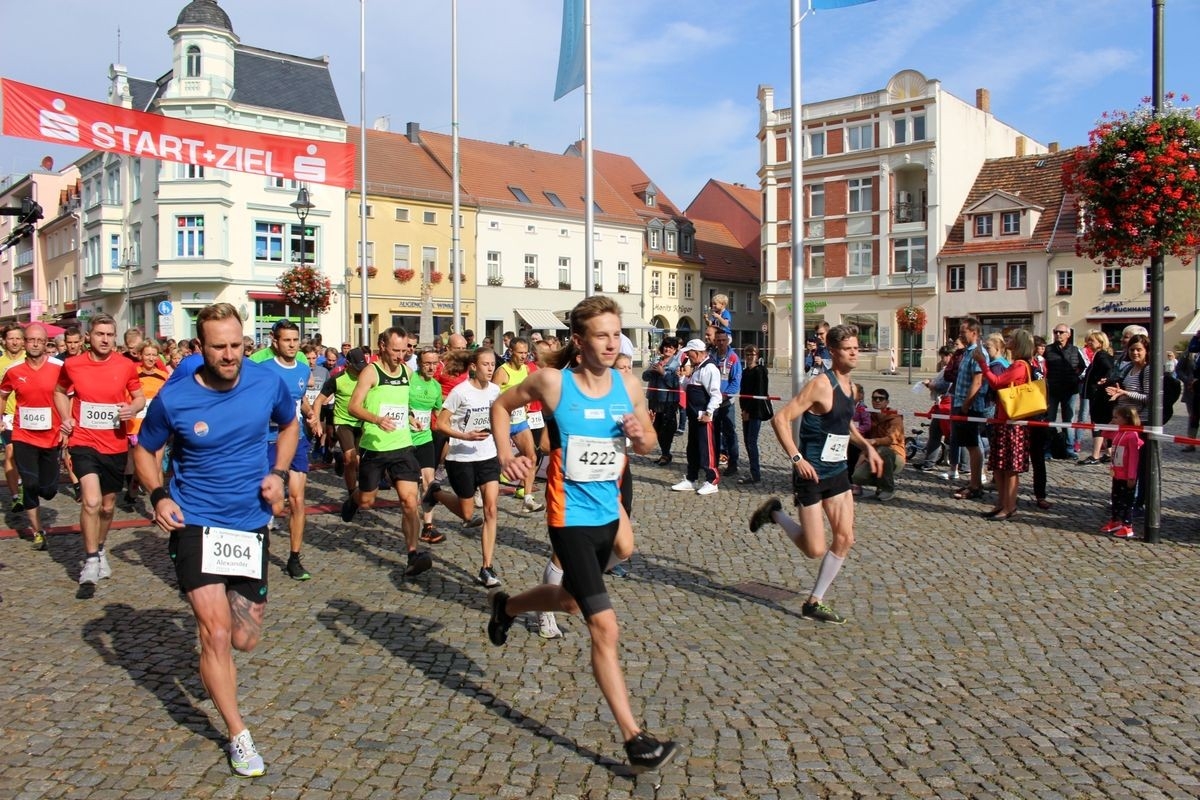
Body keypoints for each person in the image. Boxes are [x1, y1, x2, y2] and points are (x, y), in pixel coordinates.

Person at [485, 294, 679, 774]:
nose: (612, 343)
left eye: (616, 334)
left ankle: (506, 606)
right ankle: (635, 738)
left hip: (608, 510)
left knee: (577, 595)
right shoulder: (553, 382)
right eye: (602, 335)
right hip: (568, 516)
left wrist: (640, 436)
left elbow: (650, 442)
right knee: (604, 624)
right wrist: (508, 452)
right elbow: (501, 405)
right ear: (579, 341)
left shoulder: (628, 383)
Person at [134, 302, 298, 778]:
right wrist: (159, 495)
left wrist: (279, 474)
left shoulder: (266, 382)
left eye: (236, 345)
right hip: (196, 522)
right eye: (219, 347)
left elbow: (290, 425)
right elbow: (146, 450)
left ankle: (220, 654)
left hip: (248, 523)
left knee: (245, 637)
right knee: (217, 632)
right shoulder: (176, 398)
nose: (229, 355)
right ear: (199, 348)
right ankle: (237, 734)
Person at [749, 324, 882, 625]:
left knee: (846, 538)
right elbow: (781, 420)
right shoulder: (822, 385)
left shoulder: (850, 387)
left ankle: (814, 601)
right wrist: (796, 458)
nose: (854, 353)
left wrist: (867, 447)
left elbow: (844, 424)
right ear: (833, 352)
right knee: (814, 549)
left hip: (837, 472)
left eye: (856, 348)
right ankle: (775, 514)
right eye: (848, 349)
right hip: (810, 473)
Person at [55, 315, 146, 598]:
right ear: (89, 337)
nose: (105, 339)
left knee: (107, 507)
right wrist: (66, 417)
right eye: (99, 334)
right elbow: (59, 391)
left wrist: (131, 409)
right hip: (83, 441)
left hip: (115, 443)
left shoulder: (126, 365)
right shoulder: (73, 364)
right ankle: (91, 559)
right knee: (91, 501)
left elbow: (139, 397)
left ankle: (101, 547)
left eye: (109, 334)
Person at [342, 328, 433, 579]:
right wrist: (377, 419)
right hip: (375, 447)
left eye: (405, 351)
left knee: (409, 501)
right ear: (382, 346)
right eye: (395, 350)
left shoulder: (407, 371)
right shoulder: (372, 372)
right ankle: (354, 498)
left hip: (402, 447)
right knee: (367, 501)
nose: (400, 356)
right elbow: (353, 407)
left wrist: (411, 418)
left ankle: (412, 555)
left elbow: (403, 403)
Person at [425, 348, 502, 585]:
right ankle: (435, 492)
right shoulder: (460, 392)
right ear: (473, 366)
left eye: (492, 364)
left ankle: (486, 567)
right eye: (485, 364)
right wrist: (464, 436)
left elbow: (500, 418)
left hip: (488, 455)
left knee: (490, 510)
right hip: (461, 458)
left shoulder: (496, 391)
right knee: (468, 514)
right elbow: (441, 424)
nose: (490, 369)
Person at [257, 320, 317, 581]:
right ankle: (259, 550)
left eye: (295, 340)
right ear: (275, 341)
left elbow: (299, 398)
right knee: (272, 502)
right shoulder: (263, 370)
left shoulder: (303, 369)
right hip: (268, 441)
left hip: (297, 439)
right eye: (287, 340)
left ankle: (294, 557)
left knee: (297, 498)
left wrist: (310, 413)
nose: (292, 345)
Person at [0, 324, 62, 550]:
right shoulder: (14, 370)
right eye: (30, 340)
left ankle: (38, 491)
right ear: (25, 342)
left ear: (46, 343)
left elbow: (71, 396)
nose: (35, 344)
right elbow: (3, 395)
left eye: (39, 340)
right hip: (23, 435)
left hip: (52, 436)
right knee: (30, 482)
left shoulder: (59, 368)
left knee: (49, 490)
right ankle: (37, 531)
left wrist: (67, 424)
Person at [975, 329, 1036, 521]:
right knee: (999, 467)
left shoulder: (1019, 365)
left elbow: (997, 382)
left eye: (1011, 338)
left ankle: (1009, 506)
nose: (1007, 340)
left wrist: (982, 364)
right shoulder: (1015, 363)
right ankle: (1001, 503)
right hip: (1004, 420)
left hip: (1013, 422)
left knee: (1010, 468)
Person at [492, 337, 545, 513]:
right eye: (520, 353)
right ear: (511, 352)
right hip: (503, 423)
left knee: (531, 456)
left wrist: (526, 401)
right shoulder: (502, 371)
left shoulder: (524, 369)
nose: (523, 356)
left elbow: (526, 392)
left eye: (525, 353)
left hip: (520, 421)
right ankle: (480, 489)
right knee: (493, 461)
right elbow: (491, 396)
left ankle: (527, 498)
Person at [671, 338, 722, 496]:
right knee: (692, 449)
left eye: (689, 353)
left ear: (698, 353)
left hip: (703, 417)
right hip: (694, 417)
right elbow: (687, 387)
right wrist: (682, 377)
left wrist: (709, 413)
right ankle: (691, 478)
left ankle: (712, 480)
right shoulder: (697, 369)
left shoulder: (709, 369)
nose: (687, 356)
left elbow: (716, 395)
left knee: (707, 449)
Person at [314, 348, 367, 493]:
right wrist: (317, 423)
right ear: (347, 364)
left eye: (362, 368)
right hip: (343, 422)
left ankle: (338, 457)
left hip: (362, 422)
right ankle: (352, 494)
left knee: (358, 462)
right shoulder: (337, 379)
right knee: (350, 459)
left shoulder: (367, 378)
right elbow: (318, 401)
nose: (360, 371)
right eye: (357, 368)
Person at [408, 347, 446, 544]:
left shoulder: (436, 387)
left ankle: (428, 527)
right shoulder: (408, 380)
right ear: (419, 364)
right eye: (427, 363)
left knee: (429, 484)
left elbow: (439, 415)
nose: (431, 367)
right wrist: (409, 416)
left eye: (434, 363)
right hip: (404, 440)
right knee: (411, 489)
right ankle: (412, 523)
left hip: (424, 439)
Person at [949, 317, 987, 501]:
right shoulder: (967, 352)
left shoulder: (978, 353)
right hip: (961, 404)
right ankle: (973, 482)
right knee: (968, 444)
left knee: (973, 446)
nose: (960, 334)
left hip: (969, 407)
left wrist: (965, 406)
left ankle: (975, 485)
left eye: (963, 331)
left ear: (974, 332)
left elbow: (977, 382)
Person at [850, 388, 905, 501]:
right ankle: (880, 484)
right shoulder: (869, 416)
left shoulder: (895, 418)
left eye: (881, 398)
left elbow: (891, 439)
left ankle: (888, 489)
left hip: (895, 455)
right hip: (874, 453)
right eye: (875, 398)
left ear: (887, 402)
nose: (878, 401)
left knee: (883, 451)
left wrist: (874, 441)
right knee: (857, 477)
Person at [1101, 405, 1142, 539]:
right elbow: (1104, 433)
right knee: (1116, 499)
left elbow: (1133, 458)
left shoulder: (1132, 435)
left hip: (1126, 475)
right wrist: (1111, 423)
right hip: (1117, 473)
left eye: (1116, 417)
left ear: (1126, 419)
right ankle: (1115, 520)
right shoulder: (1119, 431)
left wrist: (1132, 476)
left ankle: (1127, 525)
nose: (1114, 419)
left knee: (1127, 501)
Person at [1045, 325, 1085, 459]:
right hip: (1053, 389)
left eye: (1061, 332)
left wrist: (1074, 377)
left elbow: (1083, 366)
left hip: (1070, 389)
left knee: (1068, 419)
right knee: (1050, 419)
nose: (1058, 334)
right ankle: (1048, 449)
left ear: (1068, 334)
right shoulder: (1048, 349)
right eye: (1055, 332)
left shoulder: (1075, 350)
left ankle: (1069, 447)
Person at [0, 324, 27, 512]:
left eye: (18, 338)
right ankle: (16, 496)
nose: (15, 342)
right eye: (11, 338)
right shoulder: (0, 363)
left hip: (29, 416)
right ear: (4, 341)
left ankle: (26, 485)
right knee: (10, 453)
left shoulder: (31, 360)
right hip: (9, 416)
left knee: (25, 457)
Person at [643, 337, 681, 466]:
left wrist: (663, 372)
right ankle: (664, 453)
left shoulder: (676, 364)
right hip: (654, 399)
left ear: (675, 350)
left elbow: (674, 383)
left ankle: (666, 453)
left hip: (668, 400)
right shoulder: (656, 360)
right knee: (656, 427)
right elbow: (644, 377)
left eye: (671, 347)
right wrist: (651, 370)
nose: (667, 349)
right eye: (666, 346)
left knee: (667, 428)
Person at [1080, 331, 1116, 465]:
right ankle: (1108, 453)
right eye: (1089, 340)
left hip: (1098, 395)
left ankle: (1095, 455)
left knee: (1097, 424)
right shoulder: (1101, 355)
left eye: (1092, 341)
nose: (1089, 343)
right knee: (1105, 423)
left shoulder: (1101, 355)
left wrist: (1103, 381)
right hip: (1099, 394)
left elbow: (1109, 368)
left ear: (1100, 343)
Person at [738, 344, 772, 484]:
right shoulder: (745, 371)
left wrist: (747, 411)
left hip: (756, 411)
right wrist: (743, 409)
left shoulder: (760, 371)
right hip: (746, 409)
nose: (750, 357)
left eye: (752, 354)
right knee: (747, 441)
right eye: (747, 355)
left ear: (757, 356)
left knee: (752, 442)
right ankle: (754, 471)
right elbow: (743, 392)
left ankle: (755, 474)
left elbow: (758, 393)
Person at [711, 330, 741, 477]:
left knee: (730, 433)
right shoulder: (712, 357)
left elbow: (736, 382)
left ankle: (733, 463)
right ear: (715, 341)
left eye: (723, 340)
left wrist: (723, 396)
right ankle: (714, 461)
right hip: (713, 403)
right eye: (718, 340)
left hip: (727, 403)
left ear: (728, 341)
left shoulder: (733, 358)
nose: (721, 343)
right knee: (714, 433)